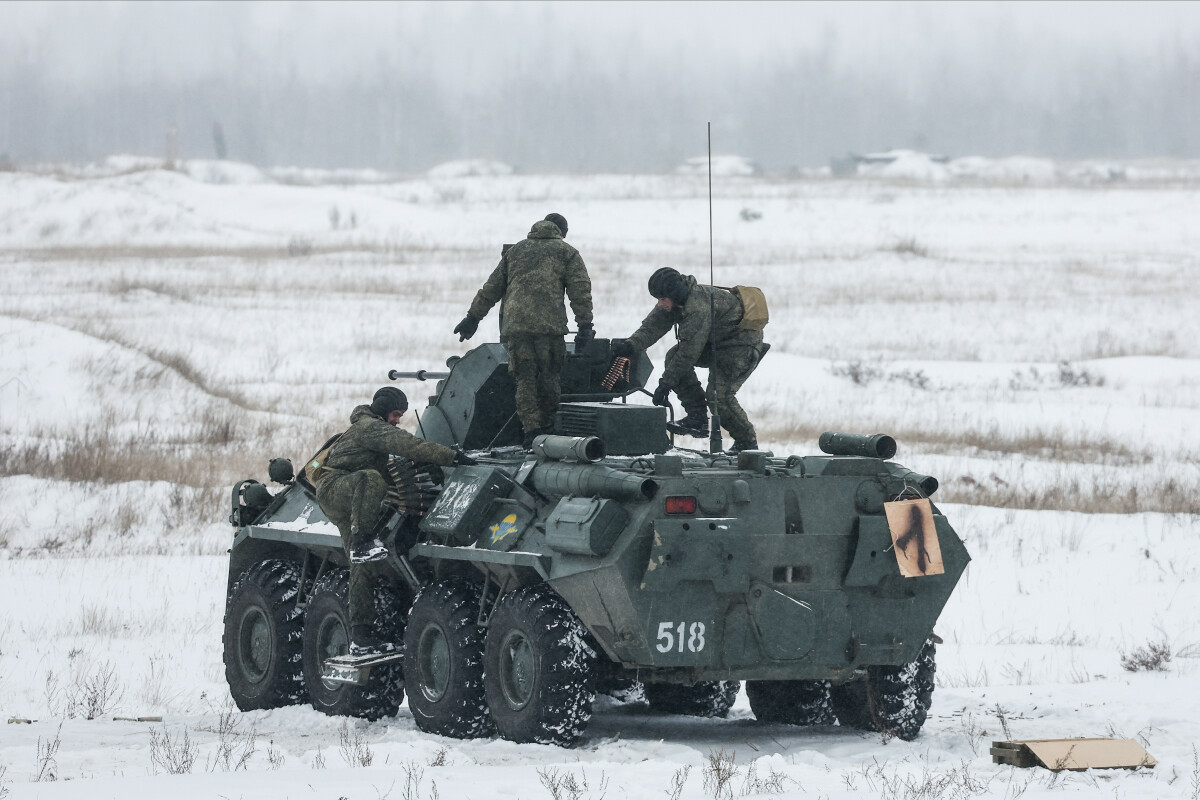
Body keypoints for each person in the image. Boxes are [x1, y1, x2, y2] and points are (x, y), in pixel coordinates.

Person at [315, 387, 475, 655]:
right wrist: (451, 456)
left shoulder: (369, 429)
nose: (398, 420)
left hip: (349, 496)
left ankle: (361, 636)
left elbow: (398, 460)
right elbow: (407, 444)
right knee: (371, 479)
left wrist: (428, 467)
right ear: (383, 409)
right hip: (335, 488)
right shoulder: (369, 427)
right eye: (395, 414)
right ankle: (362, 539)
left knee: (363, 566)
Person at [453, 213, 594, 448]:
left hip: (517, 327)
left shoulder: (516, 251)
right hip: (550, 327)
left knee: (524, 379)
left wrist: (472, 318)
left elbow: (492, 288)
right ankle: (548, 429)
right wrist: (585, 326)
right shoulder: (567, 252)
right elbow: (580, 291)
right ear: (562, 231)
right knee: (549, 375)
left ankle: (531, 432)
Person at [614, 267, 765, 452]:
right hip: (715, 344)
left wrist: (665, 383)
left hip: (741, 347)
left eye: (662, 299)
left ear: (674, 295)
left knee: (719, 397)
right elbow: (653, 326)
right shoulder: (674, 300)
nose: (660, 304)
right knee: (672, 357)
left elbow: (688, 352)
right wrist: (630, 345)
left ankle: (747, 442)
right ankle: (697, 417)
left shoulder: (698, 307)